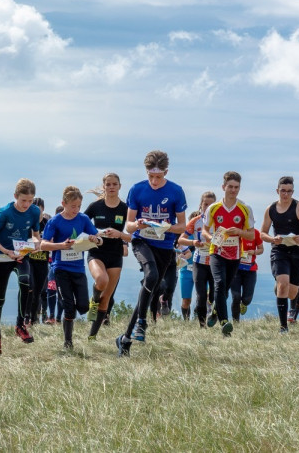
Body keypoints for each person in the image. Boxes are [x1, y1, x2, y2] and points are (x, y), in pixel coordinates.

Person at [116, 151, 187, 357]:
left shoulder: (176, 191)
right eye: (150, 176)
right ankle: (142, 321)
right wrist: (136, 223)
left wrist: (167, 227)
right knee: (152, 276)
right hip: (142, 241)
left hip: (164, 245)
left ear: (166, 172)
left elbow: (181, 225)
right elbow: (128, 227)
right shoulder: (137, 190)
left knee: (150, 288)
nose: (154, 181)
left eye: (158, 176)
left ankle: (125, 339)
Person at [41, 186, 102, 350]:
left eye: (78, 206)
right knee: (69, 308)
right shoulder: (55, 221)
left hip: (78, 269)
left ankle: (89, 301)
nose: (76, 210)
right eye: (72, 206)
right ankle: (68, 342)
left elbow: (97, 237)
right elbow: (43, 244)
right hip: (60, 268)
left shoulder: (83, 219)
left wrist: (94, 239)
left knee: (82, 307)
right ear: (64, 203)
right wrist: (62, 245)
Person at [0, 178, 42, 355]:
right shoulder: (4, 213)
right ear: (15, 197)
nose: (27, 204)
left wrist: (34, 244)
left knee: (26, 282)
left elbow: (35, 235)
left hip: (20, 255)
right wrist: (6, 251)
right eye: (23, 200)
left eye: (30, 200)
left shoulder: (34, 212)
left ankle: (20, 325)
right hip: (1, 256)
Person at [201, 171, 254, 338]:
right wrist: (212, 239)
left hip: (235, 255)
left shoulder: (245, 209)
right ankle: (224, 323)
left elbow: (251, 235)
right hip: (216, 252)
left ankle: (217, 310)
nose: (233, 190)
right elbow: (204, 230)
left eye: (236, 187)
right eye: (230, 186)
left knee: (224, 289)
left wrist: (239, 231)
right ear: (223, 187)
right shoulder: (213, 208)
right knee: (219, 283)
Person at [260, 176, 299, 333]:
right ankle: (283, 326)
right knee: (283, 284)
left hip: (297, 251)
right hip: (279, 250)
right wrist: (272, 239)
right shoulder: (271, 209)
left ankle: (281, 285)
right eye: (283, 191)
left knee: (292, 292)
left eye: (289, 191)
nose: (286, 194)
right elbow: (263, 233)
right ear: (277, 191)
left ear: (293, 192)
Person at [84, 173, 130, 339]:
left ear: (120, 186)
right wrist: (93, 234)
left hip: (115, 255)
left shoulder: (126, 208)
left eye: (114, 184)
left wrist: (120, 234)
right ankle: (93, 301)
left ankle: (92, 336)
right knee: (101, 281)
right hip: (96, 252)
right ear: (103, 186)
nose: (111, 187)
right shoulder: (95, 206)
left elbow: (133, 235)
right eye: (108, 184)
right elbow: (82, 224)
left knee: (106, 298)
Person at [179, 192, 217, 328]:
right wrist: (194, 242)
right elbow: (181, 239)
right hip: (199, 262)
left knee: (213, 296)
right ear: (201, 205)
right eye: (205, 204)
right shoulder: (195, 221)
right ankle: (202, 325)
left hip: (215, 262)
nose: (207, 207)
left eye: (211, 205)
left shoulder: (220, 220)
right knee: (201, 295)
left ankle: (215, 313)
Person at [26, 198, 51, 326]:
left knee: (38, 291)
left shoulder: (48, 224)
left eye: (39, 210)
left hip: (42, 261)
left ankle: (34, 318)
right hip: (28, 261)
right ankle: (25, 318)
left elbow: (52, 241)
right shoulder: (27, 222)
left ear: (43, 210)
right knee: (29, 287)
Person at [230, 229, 263, 323]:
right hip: (235, 269)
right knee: (236, 297)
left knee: (247, 299)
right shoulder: (234, 231)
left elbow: (261, 249)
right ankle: (235, 322)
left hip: (250, 270)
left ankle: (244, 304)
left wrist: (254, 252)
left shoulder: (256, 233)